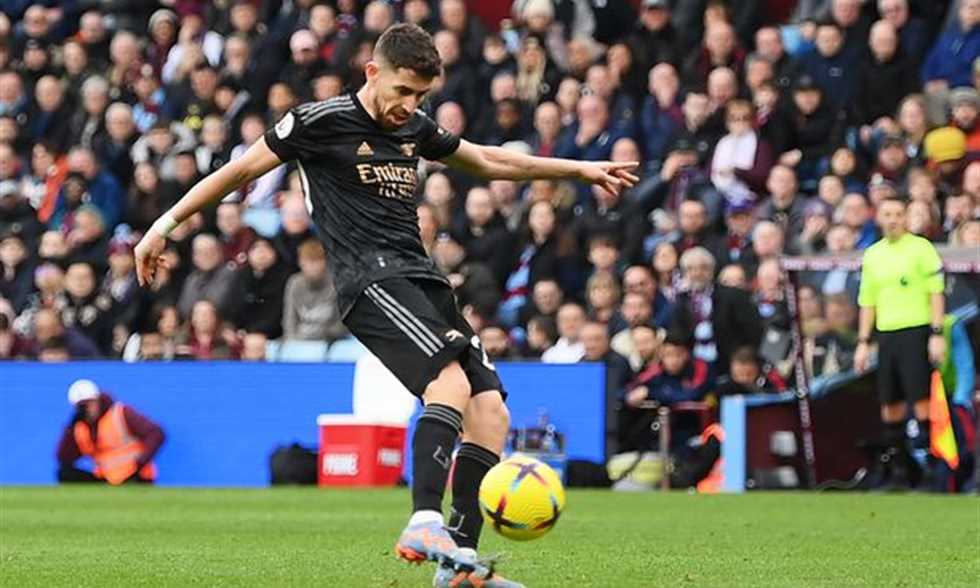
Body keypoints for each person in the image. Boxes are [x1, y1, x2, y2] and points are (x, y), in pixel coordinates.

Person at [134, 24, 637, 588]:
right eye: (402, 91)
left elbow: (486, 160)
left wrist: (579, 169)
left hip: (423, 280)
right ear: (373, 72)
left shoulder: (414, 127)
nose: (410, 105)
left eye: (421, 95)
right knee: (448, 384)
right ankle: (423, 522)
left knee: (491, 412)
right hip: (370, 281)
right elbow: (239, 171)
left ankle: (458, 564)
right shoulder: (318, 121)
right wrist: (162, 227)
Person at [854, 196, 947, 490]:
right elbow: (867, 300)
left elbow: (936, 292)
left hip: (916, 331)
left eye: (898, 214)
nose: (893, 219)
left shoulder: (921, 248)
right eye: (887, 214)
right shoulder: (873, 254)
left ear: (906, 217)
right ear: (878, 218)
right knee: (889, 403)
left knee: (920, 400)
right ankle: (900, 470)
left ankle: (931, 470)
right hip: (886, 334)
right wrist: (863, 341)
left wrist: (936, 333)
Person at [56, 379, 165, 485]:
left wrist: (141, 462)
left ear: (98, 399)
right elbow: (64, 457)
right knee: (65, 473)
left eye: (90, 403)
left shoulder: (120, 414)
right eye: (82, 406)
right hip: (106, 478)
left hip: (134, 475)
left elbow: (156, 433)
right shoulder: (80, 428)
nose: (88, 408)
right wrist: (70, 427)